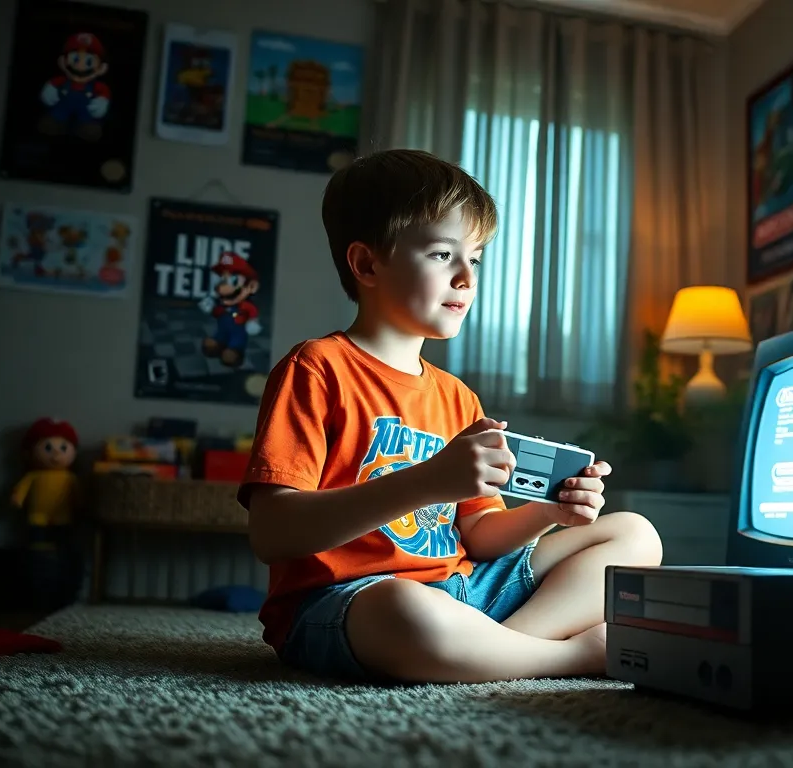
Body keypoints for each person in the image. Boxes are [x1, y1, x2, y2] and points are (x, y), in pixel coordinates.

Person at [239, 149, 663, 685]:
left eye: (476, 258)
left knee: (634, 534)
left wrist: (550, 512)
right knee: (410, 611)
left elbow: (480, 535)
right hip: (350, 601)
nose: (466, 277)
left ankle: (500, 651)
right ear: (367, 264)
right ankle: (573, 656)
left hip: (466, 590)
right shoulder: (317, 369)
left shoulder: (458, 396)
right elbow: (273, 534)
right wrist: (427, 481)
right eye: (443, 255)